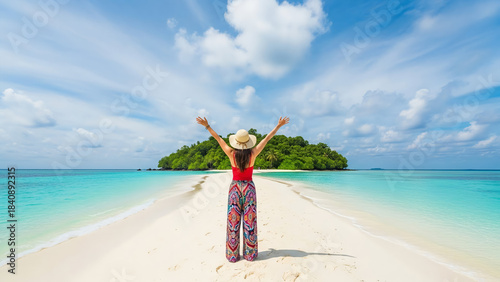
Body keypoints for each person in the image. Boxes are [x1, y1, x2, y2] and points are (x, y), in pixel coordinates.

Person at [196, 116, 290, 262]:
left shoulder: (231, 153)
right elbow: (267, 138)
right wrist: (278, 126)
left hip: (234, 188)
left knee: (233, 222)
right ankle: (250, 254)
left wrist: (207, 126)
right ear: (248, 141)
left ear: (236, 142)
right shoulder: (253, 153)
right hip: (249, 188)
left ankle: (232, 255)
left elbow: (219, 139)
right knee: (250, 221)